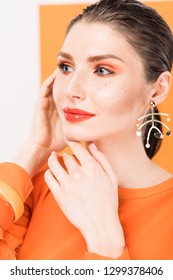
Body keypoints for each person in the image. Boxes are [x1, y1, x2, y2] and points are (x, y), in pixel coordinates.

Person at [0, 0, 173, 260]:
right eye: (66, 67)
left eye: (102, 70)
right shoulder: (40, 185)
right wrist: (35, 149)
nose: (71, 89)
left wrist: (105, 242)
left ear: (157, 89)